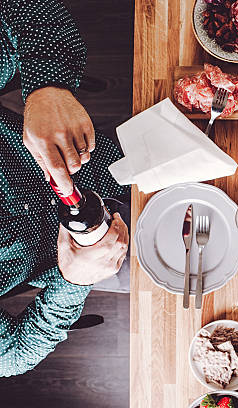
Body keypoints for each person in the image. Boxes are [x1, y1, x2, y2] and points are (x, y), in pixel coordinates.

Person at [0, 0, 129, 376]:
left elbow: (23, 7)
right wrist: (74, 280)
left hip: (101, 160)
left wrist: (46, 89)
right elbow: (13, 354)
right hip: (89, 257)